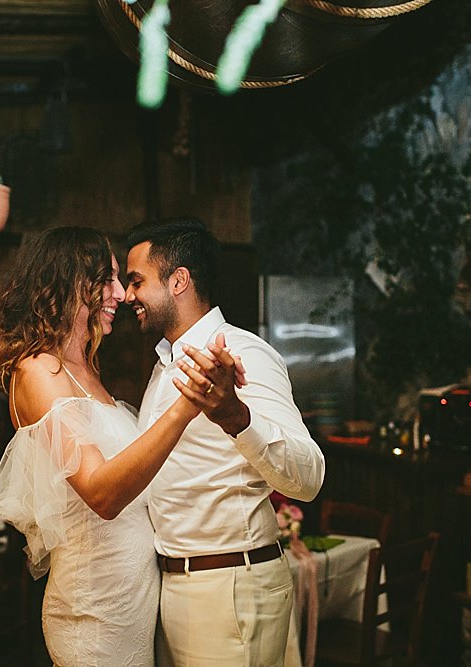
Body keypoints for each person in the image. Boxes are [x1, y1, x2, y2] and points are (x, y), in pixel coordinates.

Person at [0, 226, 225, 667]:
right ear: (69, 281)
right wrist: (187, 405)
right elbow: (101, 493)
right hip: (93, 613)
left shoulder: (85, 370)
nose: (120, 293)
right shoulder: (38, 371)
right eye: (107, 279)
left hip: (132, 605)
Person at [125, 216, 326, 666]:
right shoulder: (164, 365)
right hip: (177, 586)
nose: (127, 295)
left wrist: (237, 418)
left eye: (136, 281)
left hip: (230, 586)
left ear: (178, 281)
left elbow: (309, 477)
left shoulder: (244, 352)